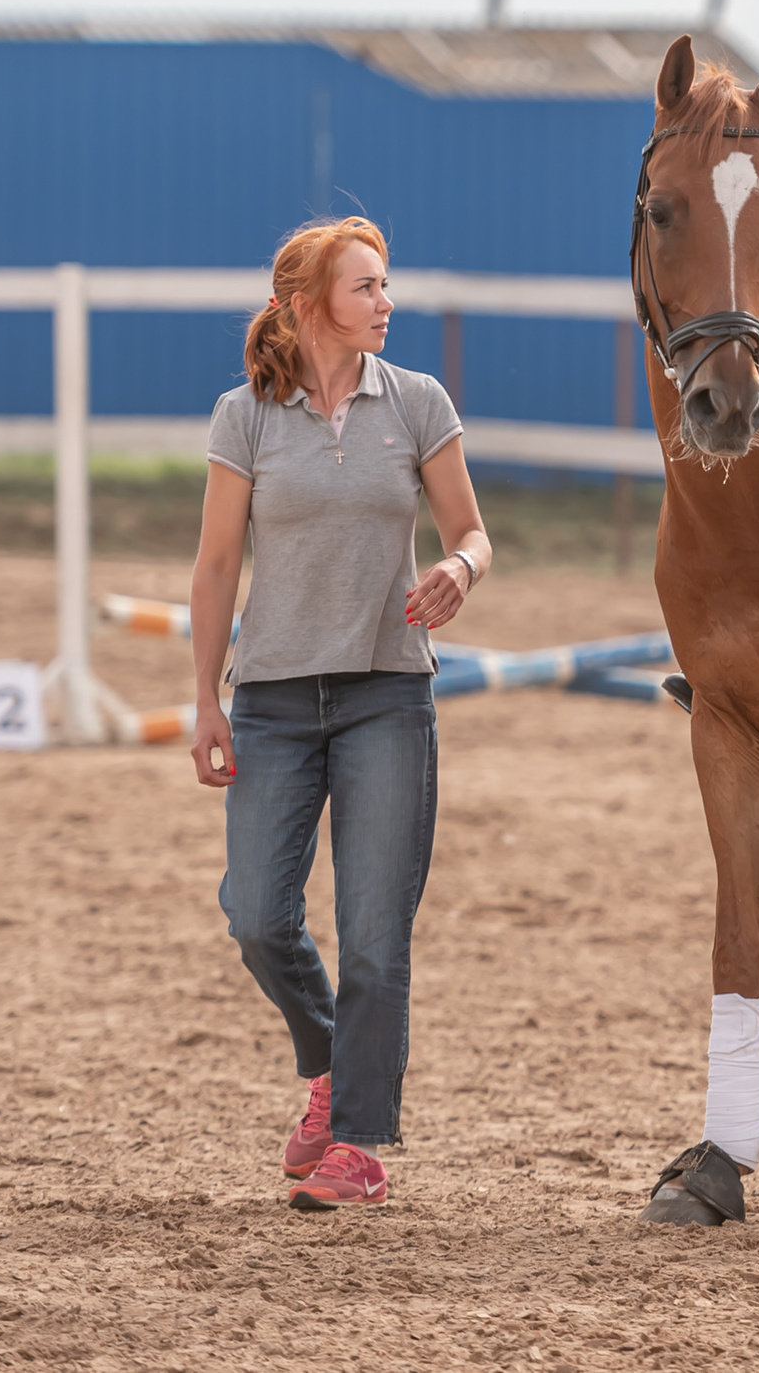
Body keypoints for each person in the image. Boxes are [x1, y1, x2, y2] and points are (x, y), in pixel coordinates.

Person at [187, 215, 492, 1212]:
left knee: (373, 935)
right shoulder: (244, 417)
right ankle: (329, 1066)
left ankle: (358, 1142)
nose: (385, 303)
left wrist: (458, 568)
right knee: (256, 916)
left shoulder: (418, 403)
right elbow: (218, 566)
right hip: (271, 699)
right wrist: (203, 699)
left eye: (386, 286)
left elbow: (474, 532)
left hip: (386, 695)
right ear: (311, 302)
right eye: (365, 288)